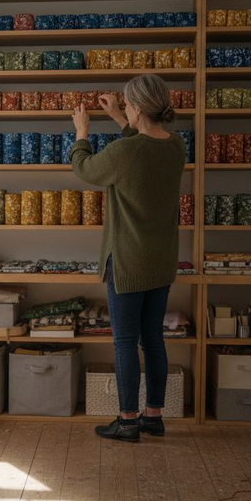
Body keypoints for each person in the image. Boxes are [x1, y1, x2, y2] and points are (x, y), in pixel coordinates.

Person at [69, 74, 185, 442]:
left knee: (124, 342)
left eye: (127, 104)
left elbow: (85, 169)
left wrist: (82, 132)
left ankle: (127, 420)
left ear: (137, 107)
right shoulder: (176, 146)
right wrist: (120, 118)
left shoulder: (124, 154)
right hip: (161, 260)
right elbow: (142, 148)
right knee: (153, 339)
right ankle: (153, 416)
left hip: (128, 262)